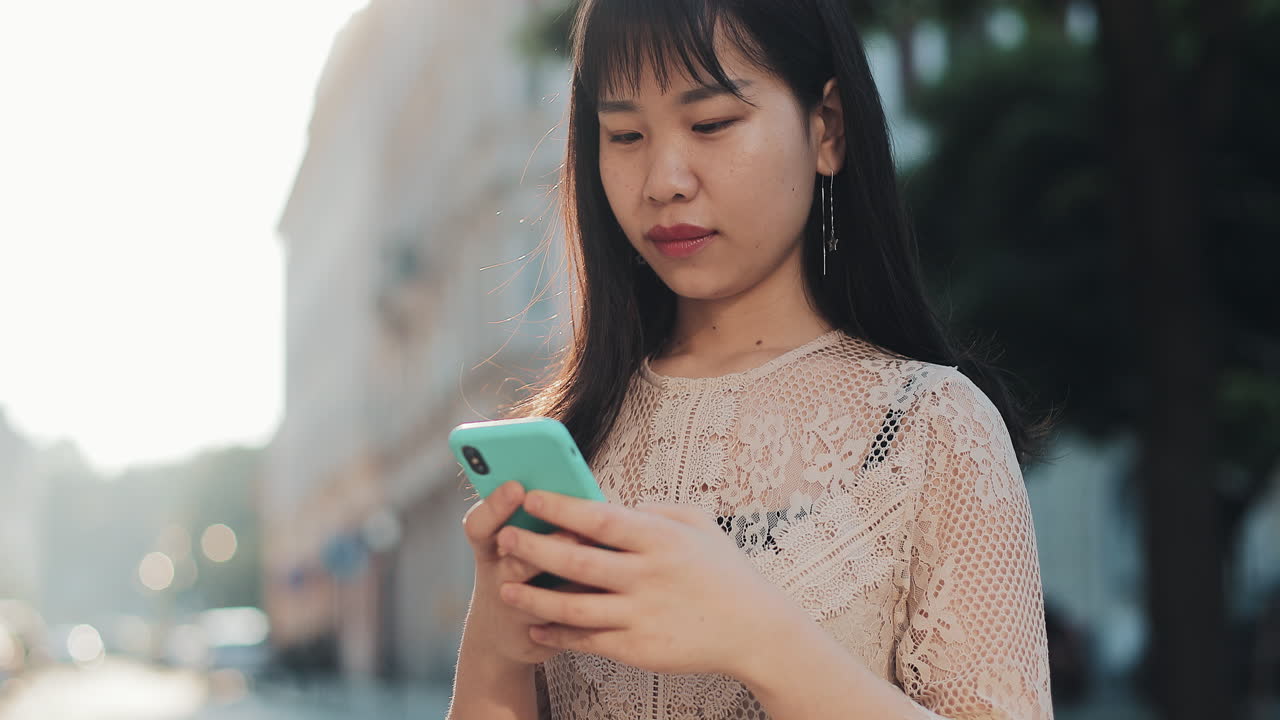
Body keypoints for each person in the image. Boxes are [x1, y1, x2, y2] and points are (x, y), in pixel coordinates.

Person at [448, 0, 1057, 718]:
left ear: (826, 127)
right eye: (625, 134)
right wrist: (492, 646)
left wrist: (761, 640)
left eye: (710, 124)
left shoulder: (931, 430)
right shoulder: (580, 433)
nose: (664, 180)